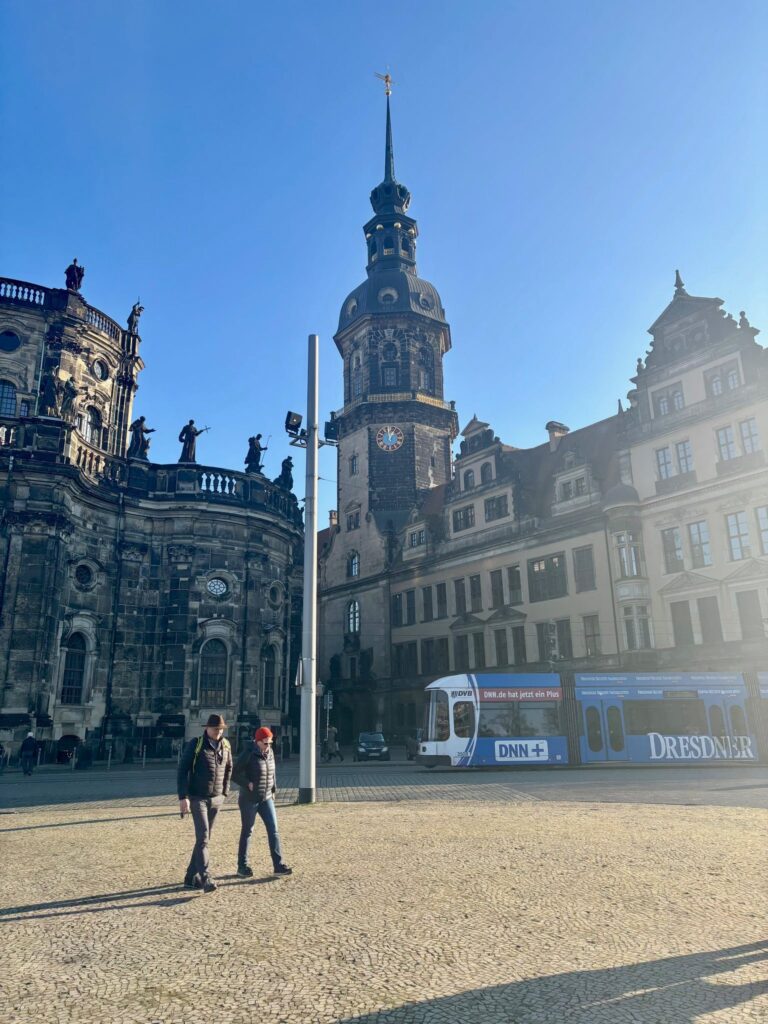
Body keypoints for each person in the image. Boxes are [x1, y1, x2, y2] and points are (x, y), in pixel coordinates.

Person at [177, 713, 232, 894]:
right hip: (198, 797)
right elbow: (182, 770)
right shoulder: (196, 744)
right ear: (207, 728)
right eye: (216, 729)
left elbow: (229, 768)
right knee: (203, 837)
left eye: (221, 729)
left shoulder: (226, 745)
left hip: (216, 799)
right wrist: (183, 797)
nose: (218, 732)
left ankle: (190, 878)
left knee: (204, 839)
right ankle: (205, 877)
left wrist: (224, 792)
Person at [234, 726, 292, 878]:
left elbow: (272, 772)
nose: (268, 746)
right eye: (265, 743)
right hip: (249, 799)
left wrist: (273, 790)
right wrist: (247, 783)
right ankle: (242, 866)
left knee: (274, 830)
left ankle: (278, 865)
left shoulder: (270, 752)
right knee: (247, 831)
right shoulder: (248, 753)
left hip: (266, 798)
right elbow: (234, 773)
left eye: (270, 743)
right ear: (257, 741)